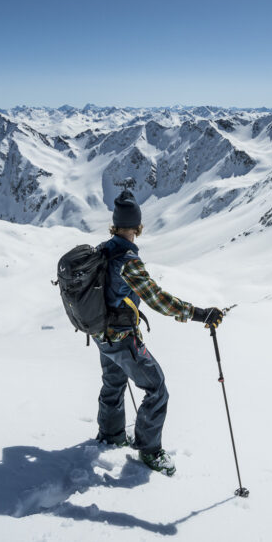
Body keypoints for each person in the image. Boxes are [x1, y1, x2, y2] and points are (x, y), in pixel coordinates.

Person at [93, 189, 225, 476]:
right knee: (156, 387)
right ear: (138, 226)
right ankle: (150, 450)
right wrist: (200, 314)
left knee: (114, 382)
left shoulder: (103, 249)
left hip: (100, 333)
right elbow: (158, 300)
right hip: (121, 336)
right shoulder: (129, 261)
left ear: (115, 224)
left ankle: (111, 434)